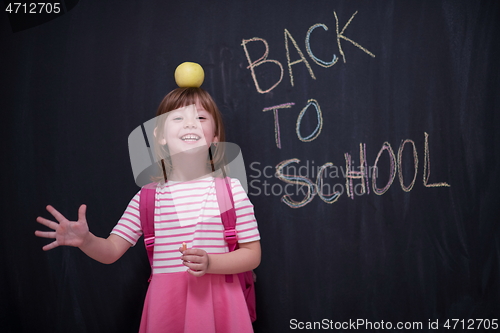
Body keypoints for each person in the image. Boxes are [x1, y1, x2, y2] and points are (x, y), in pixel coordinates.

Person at [35, 87, 261, 333]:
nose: (189, 125)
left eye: (200, 117)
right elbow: (111, 251)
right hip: (166, 309)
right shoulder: (147, 198)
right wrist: (86, 240)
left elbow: (252, 255)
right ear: (160, 136)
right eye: (177, 118)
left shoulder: (231, 191)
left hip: (220, 307)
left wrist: (211, 263)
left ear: (215, 137)